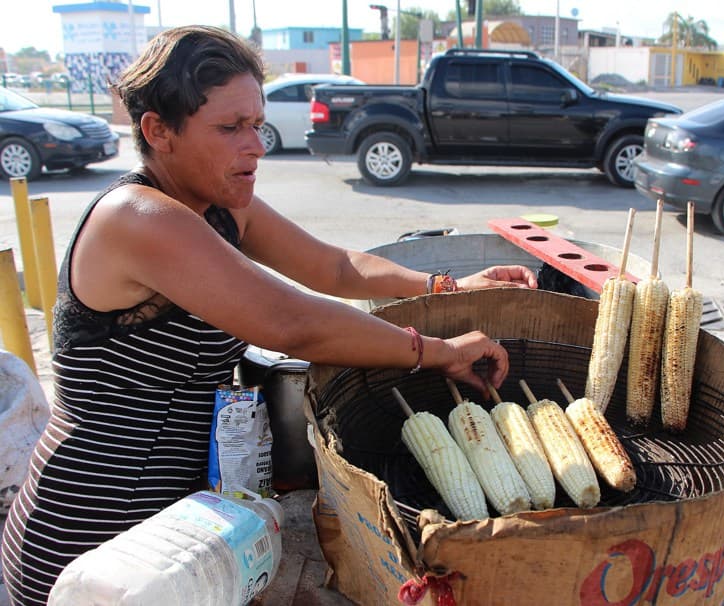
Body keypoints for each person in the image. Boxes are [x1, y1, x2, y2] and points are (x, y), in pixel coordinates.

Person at [0, 25, 536, 605]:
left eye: (256, 124)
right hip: (89, 532)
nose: (256, 145)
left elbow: (335, 267)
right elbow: (293, 323)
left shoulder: (222, 206)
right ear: (158, 131)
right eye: (230, 128)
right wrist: (439, 352)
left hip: (175, 534)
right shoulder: (136, 217)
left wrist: (446, 285)